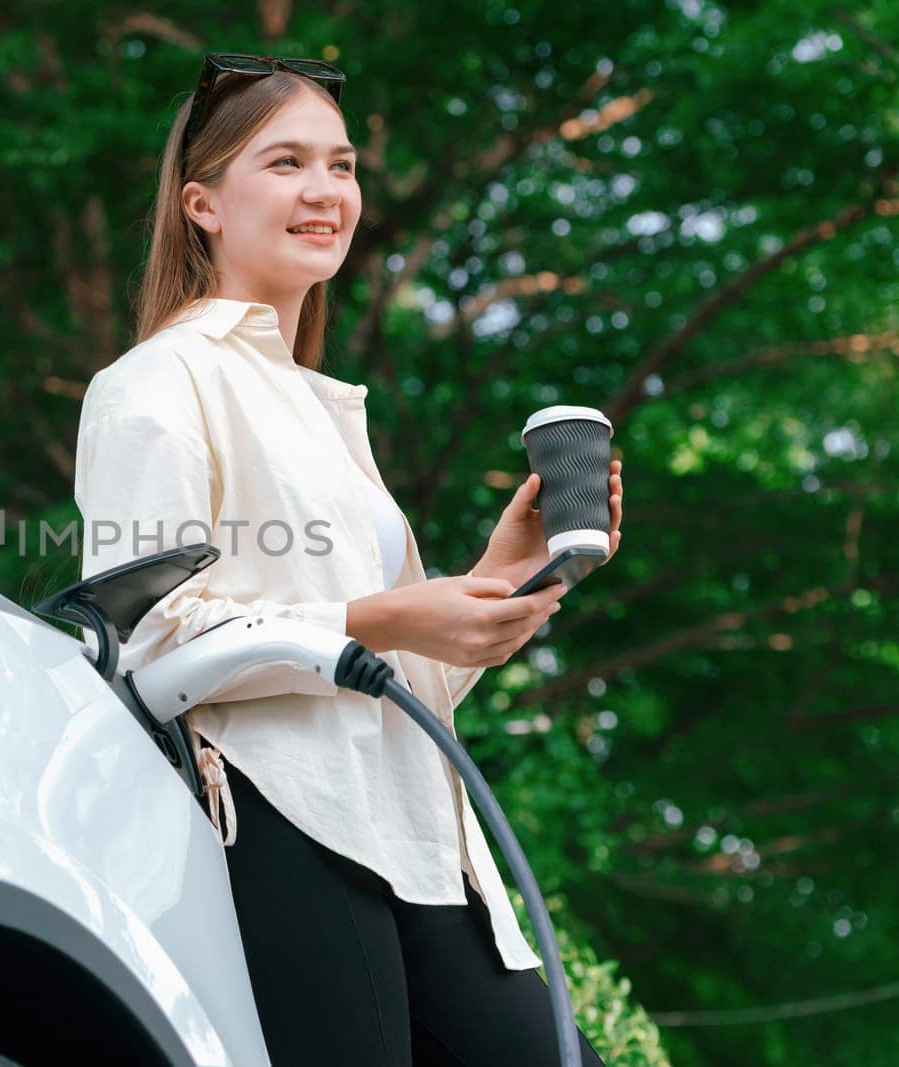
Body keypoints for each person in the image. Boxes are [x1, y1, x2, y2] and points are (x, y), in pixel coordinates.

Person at [73, 54, 623, 1065]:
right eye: (285, 162)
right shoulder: (153, 383)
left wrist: (496, 580)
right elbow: (147, 642)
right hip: (285, 821)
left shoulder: (319, 408)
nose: (325, 191)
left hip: (415, 830)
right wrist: (380, 618)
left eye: (342, 164)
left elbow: (389, 675)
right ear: (201, 202)